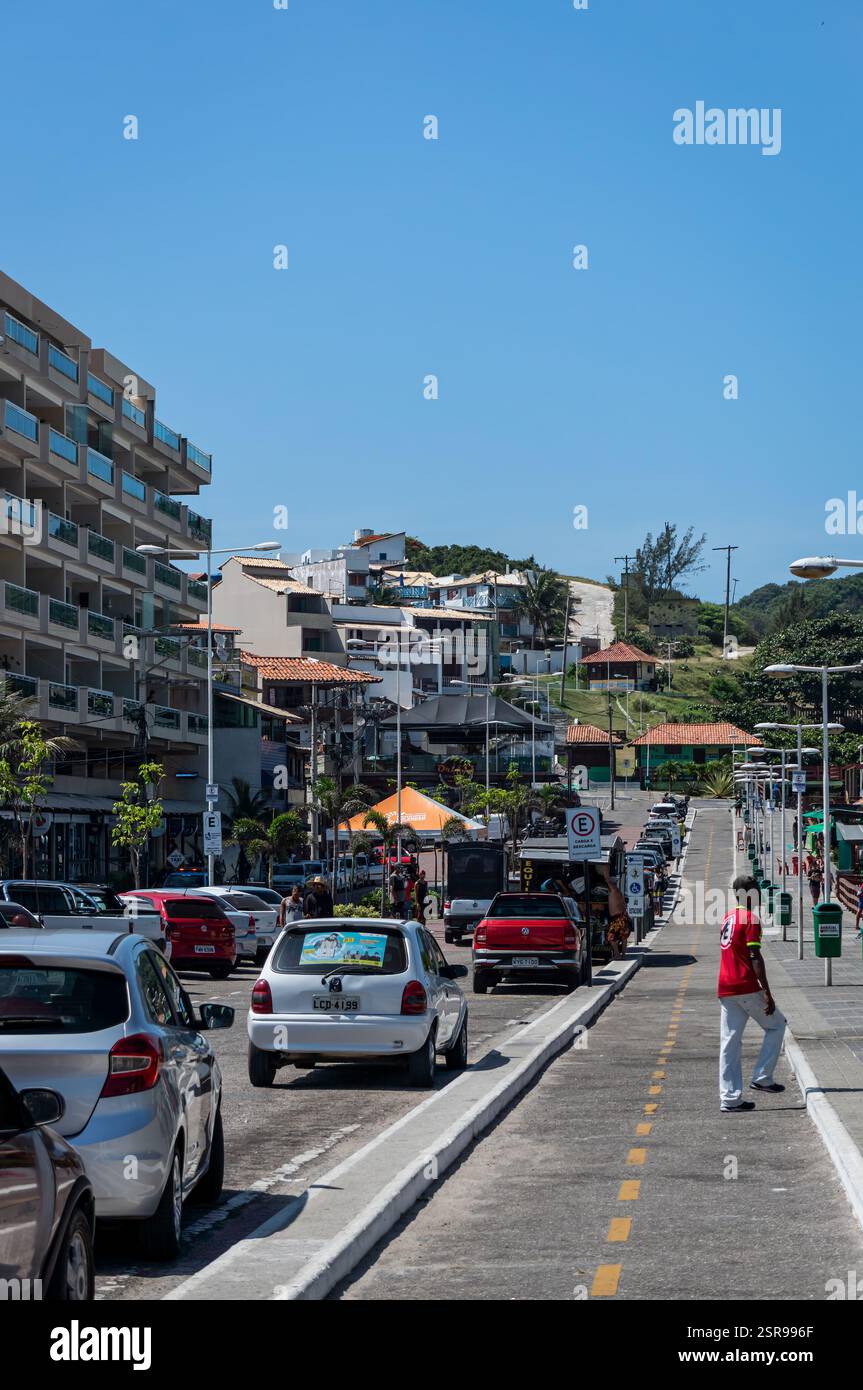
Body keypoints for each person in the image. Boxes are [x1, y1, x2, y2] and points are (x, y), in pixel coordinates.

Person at [718, 875, 786, 1113]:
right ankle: (763, 1077)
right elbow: (754, 957)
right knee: (777, 1024)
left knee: (730, 1043)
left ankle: (729, 1099)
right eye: (756, 891)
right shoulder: (750, 920)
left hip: (725, 987)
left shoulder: (728, 918)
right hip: (746, 985)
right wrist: (767, 992)